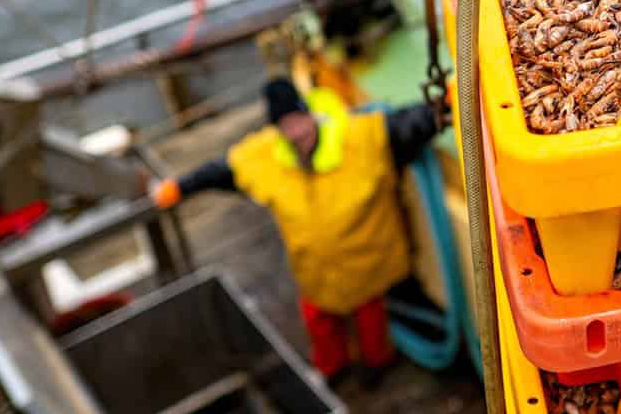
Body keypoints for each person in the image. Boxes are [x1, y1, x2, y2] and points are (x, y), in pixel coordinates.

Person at [151, 78, 439, 378]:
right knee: (321, 328)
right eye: (286, 126)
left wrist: (442, 107)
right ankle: (333, 371)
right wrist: (179, 188)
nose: (297, 133)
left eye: (300, 121)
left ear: (310, 114)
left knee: (372, 326)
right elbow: (219, 171)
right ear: (277, 129)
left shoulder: (359, 137)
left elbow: (408, 124)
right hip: (314, 275)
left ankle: (378, 365)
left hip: (367, 270)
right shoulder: (262, 158)